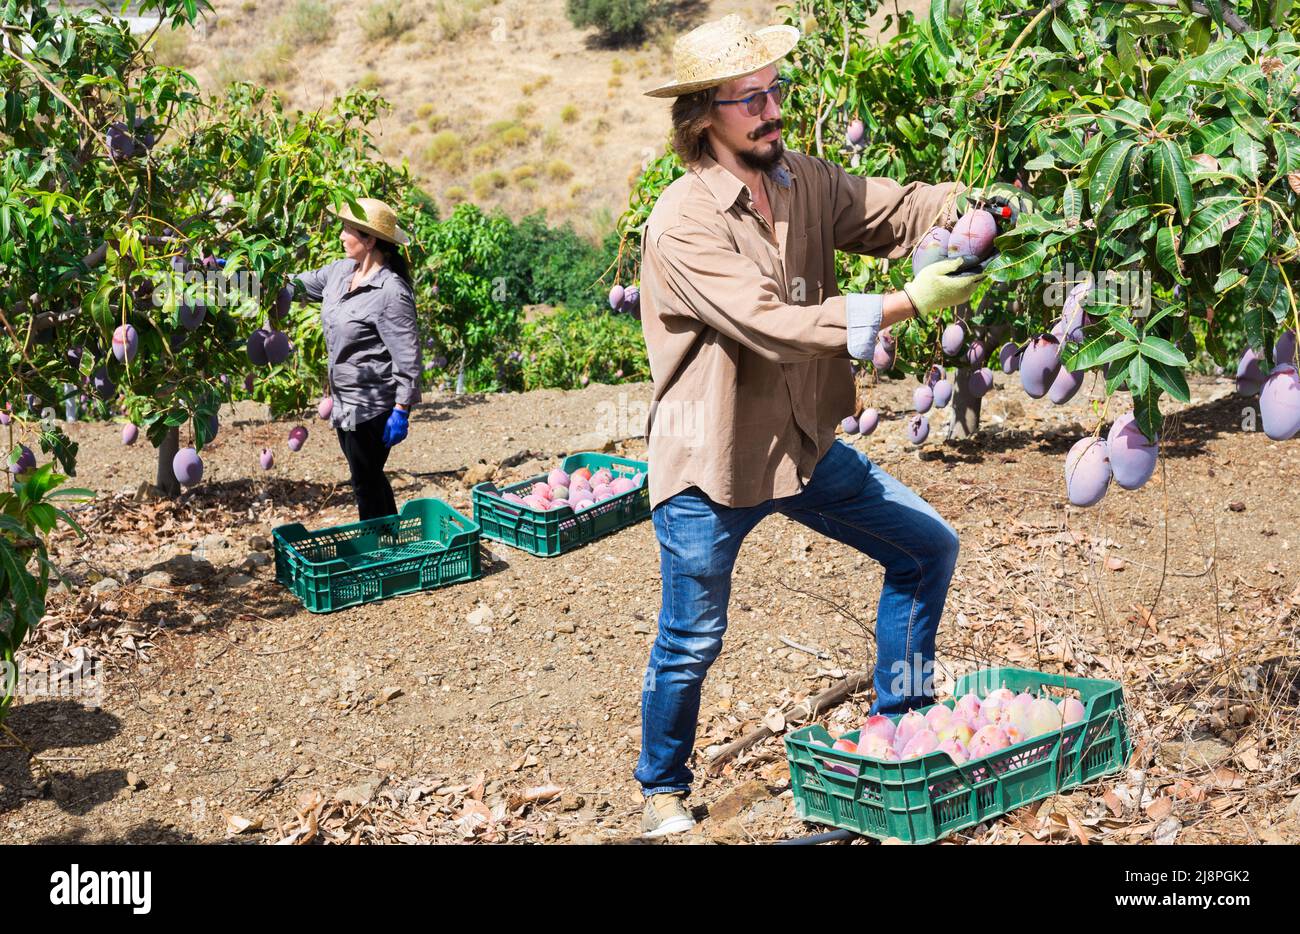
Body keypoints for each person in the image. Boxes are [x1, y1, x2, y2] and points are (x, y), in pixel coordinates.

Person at [634, 15, 1034, 836]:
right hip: (716, 464)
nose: (772, 108)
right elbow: (771, 322)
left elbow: (898, 210)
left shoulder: (802, 181)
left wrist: (981, 206)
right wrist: (907, 304)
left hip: (807, 442)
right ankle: (661, 789)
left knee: (926, 548)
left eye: (775, 90)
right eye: (751, 99)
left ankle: (903, 721)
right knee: (691, 638)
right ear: (703, 115)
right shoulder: (683, 221)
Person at [290, 197, 422, 521]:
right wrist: (244, 272)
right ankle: (390, 545)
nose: (341, 236)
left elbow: (408, 356)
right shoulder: (339, 273)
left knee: (365, 481)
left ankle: (380, 549)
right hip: (345, 402)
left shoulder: (390, 291)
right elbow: (295, 286)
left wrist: (401, 410)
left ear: (370, 239)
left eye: (348, 229)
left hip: (374, 406)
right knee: (367, 478)